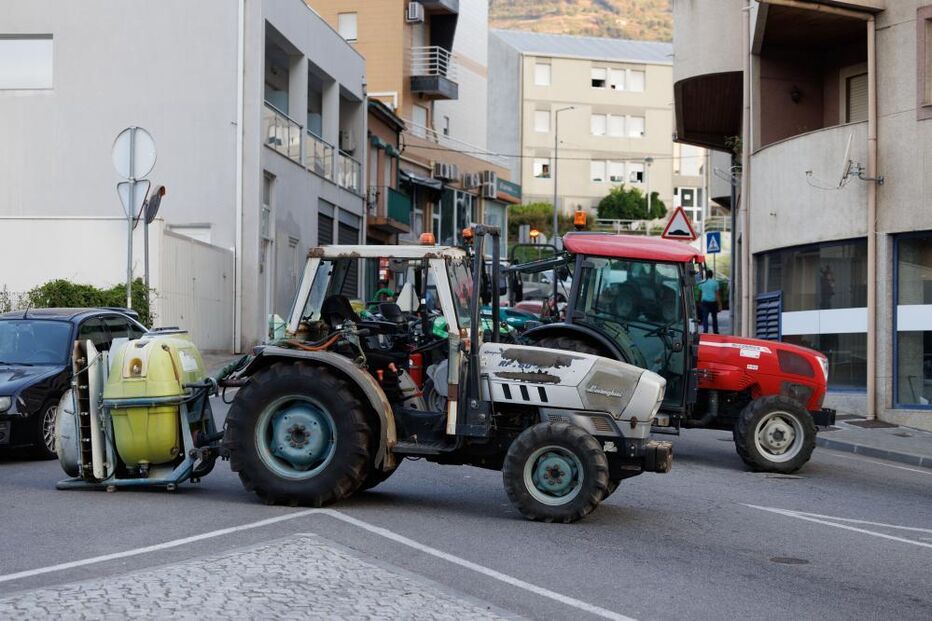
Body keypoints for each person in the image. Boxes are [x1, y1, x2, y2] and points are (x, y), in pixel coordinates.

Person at [698, 269, 720, 334]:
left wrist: (699, 302)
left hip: (704, 302)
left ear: (706, 275)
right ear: (712, 275)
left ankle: (705, 331)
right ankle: (715, 331)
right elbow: (717, 294)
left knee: (705, 317)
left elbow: (700, 293)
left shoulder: (702, 282)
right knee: (714, 317)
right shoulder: (715, 283)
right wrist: (720, 304)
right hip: (713, 302)